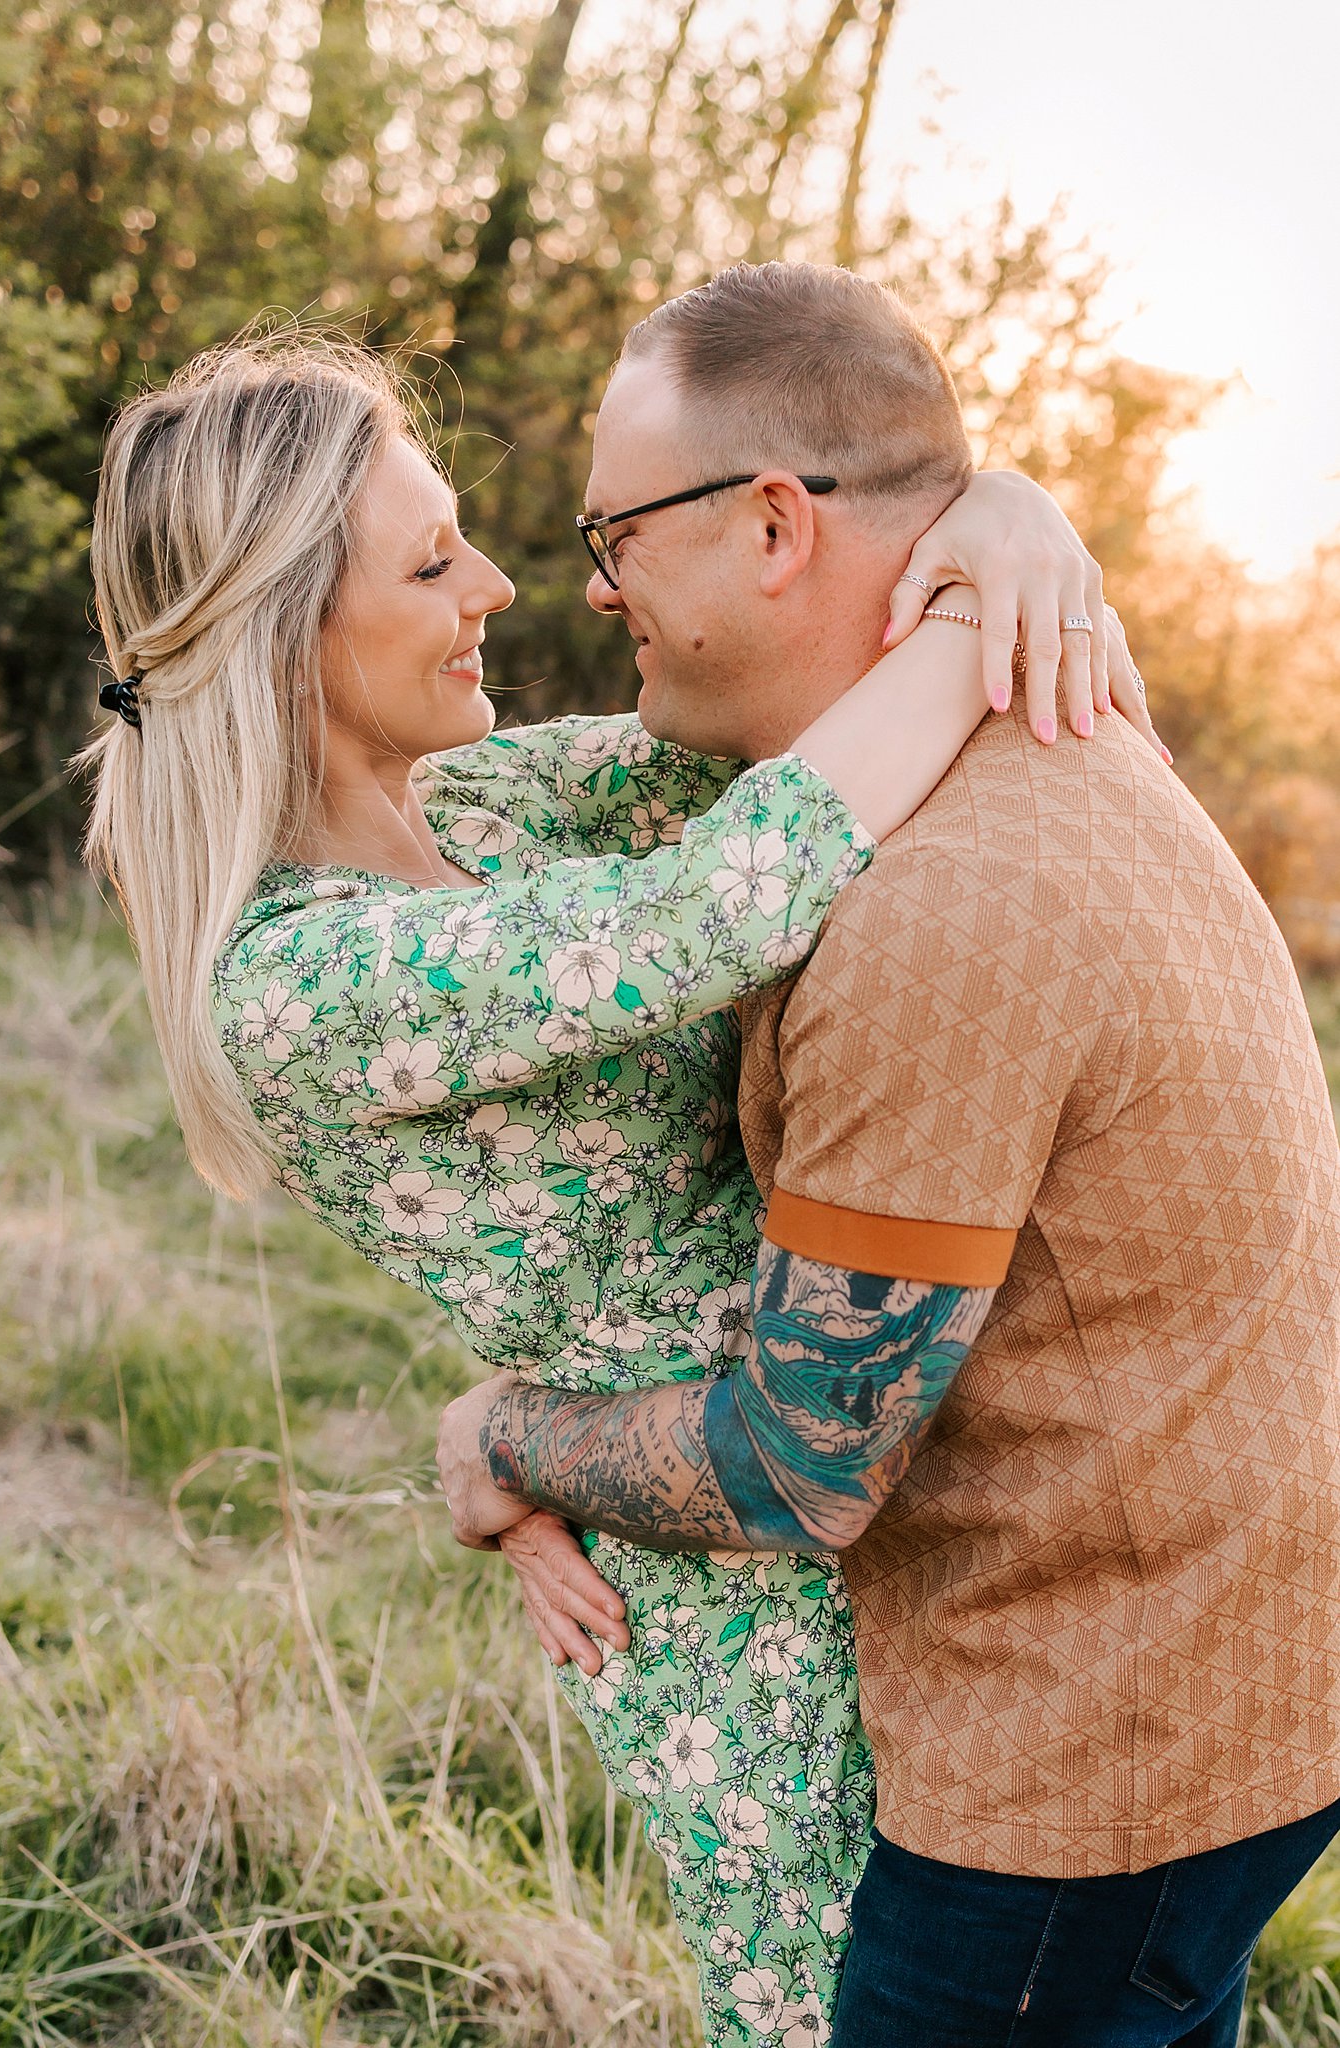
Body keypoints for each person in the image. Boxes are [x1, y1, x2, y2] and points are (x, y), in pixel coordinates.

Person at [82, 309, 1150, 2046]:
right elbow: (727, 896)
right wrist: (981, 615)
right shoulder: (292, 981)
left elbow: (786, 733)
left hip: (887, 1465)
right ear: (286, 638)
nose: (498, 583)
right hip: (732, 1611)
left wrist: (999, 508)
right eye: (432, 561)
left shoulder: (493, 804)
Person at [437, 261, 1340, 2048]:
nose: (592, 583)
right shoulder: (1040, 703)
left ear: (773, 523)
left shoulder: (940, 910)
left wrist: (497, 1434)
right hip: (1242, 1665)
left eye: (613, 530)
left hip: (1096, 1758)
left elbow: (798, 1467)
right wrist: (1003, 509)